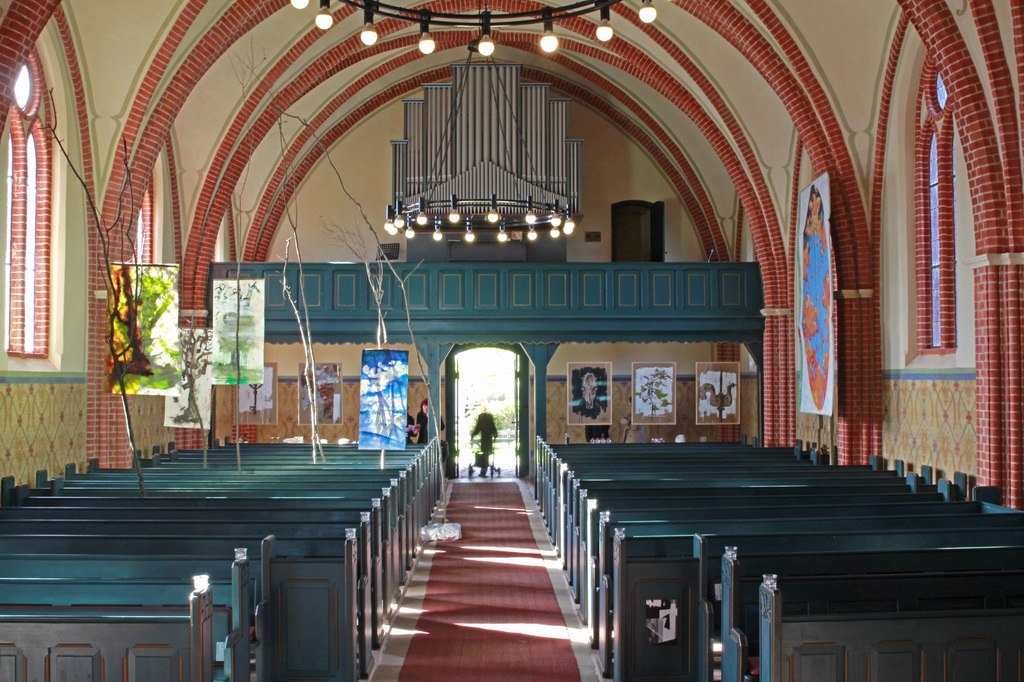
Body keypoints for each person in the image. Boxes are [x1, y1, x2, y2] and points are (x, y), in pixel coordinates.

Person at [470, 409, 498, 477]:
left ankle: (483, 469)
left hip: (484, 439)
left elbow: (477, 429)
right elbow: (493, 428)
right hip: (489, 440)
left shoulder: (481, 421)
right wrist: (495, 434)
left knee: (485, 453)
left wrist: (473, 435)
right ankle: (484, 468)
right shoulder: (490, 421)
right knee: (487, 453)